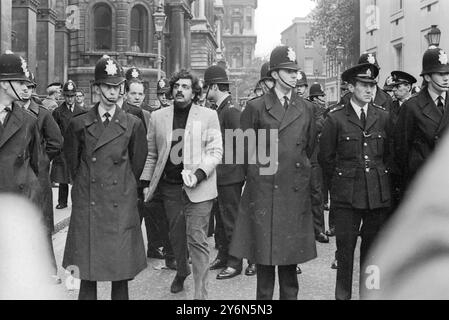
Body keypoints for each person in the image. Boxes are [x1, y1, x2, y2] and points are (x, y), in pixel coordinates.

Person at [230, 46, 317, 300]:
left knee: (290, 274)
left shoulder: (307, 108)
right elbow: (242, 151)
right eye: (288, 71)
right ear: (275, 74)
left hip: (293, 194)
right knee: (265, 273)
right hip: (265, 196)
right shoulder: (255, 108)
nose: (294, 76)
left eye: (295, 71)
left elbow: (309, 148)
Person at [62, 55, 148, 300]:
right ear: (97, 88)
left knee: (120, 275)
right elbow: (73, 164)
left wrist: (123, 190)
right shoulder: (79, 124)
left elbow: (136, 165)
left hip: (119, 205)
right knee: (87, 274)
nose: (113, 92)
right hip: (89, 204)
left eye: (117, 87)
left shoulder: (133, 124)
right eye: (108, 86)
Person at [141, 69, 222, 300]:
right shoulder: (158, 117)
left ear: (194, 92)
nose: (179, 90)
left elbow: (216, 151)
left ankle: (200, 296)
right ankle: (182, 271)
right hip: (170, 189)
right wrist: (147, 182)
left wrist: (198, 174)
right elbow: (152, 154)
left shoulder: (208, 116)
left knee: (197, 240)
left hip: (200, 189)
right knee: (176, 240)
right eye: (177, 86)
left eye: (185, 87)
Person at [319, 62, 392, 300]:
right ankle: (343, 297)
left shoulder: (383, 117)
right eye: (363, 85)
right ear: (351, 86)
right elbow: (326, 160)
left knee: (373, 255)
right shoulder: (336, 119)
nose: (369, 90)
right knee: (345, 253)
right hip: (346, 198)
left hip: (376, 197)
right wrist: (339, 187)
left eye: (372, 85)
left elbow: (390, 156)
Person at [202, 65, 253, 280]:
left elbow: (241, 145)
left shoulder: (231, 111)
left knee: (230, 219)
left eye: (208, 87)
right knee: (222, 220)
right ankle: (224, 255)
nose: (206, 91)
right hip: (222, 175)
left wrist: (237, 174)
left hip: (230, 175)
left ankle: (234, 263)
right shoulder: (222, 109)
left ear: (214, 86)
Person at [21, 72, 64, 284]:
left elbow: (56, 142)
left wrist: (41, 160)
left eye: (29, 86)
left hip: (38, 178)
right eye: (21, 85)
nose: (25, 89)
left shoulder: (43, 114)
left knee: (43, 223)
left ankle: (49, 270)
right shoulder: (7, 112)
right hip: (13, 177)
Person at [394, 46, 449, 199]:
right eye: (440, 73)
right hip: (422, 185)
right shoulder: (412, 107)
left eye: (447, 73)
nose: (446, 78)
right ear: (427, 77)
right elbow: (401, 150)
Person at [0, 50, 41, 212]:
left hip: (16, 207)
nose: (25, 88)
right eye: (20, 82)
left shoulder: (29, 120)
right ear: (4, 83)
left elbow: (35, 165)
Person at [51, 80, 85, 210]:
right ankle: (62, 201)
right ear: (63, 96)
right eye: (67, 96)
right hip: (64, 149)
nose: (70, 99)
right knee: (63, 177)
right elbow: (54, 131)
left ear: (75, 96)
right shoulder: (58, 112)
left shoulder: (82, 111)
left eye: (72, 96)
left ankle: (77, 201)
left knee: (77, 177)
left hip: (78, 149)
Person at [307, 83, 330, 244]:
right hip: (303, 154)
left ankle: (318, 229)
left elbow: (321, 125)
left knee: (316, 193)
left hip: (314, 155)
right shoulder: (301, 106)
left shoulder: (318, 110)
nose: (323, 99)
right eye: (321, 96)